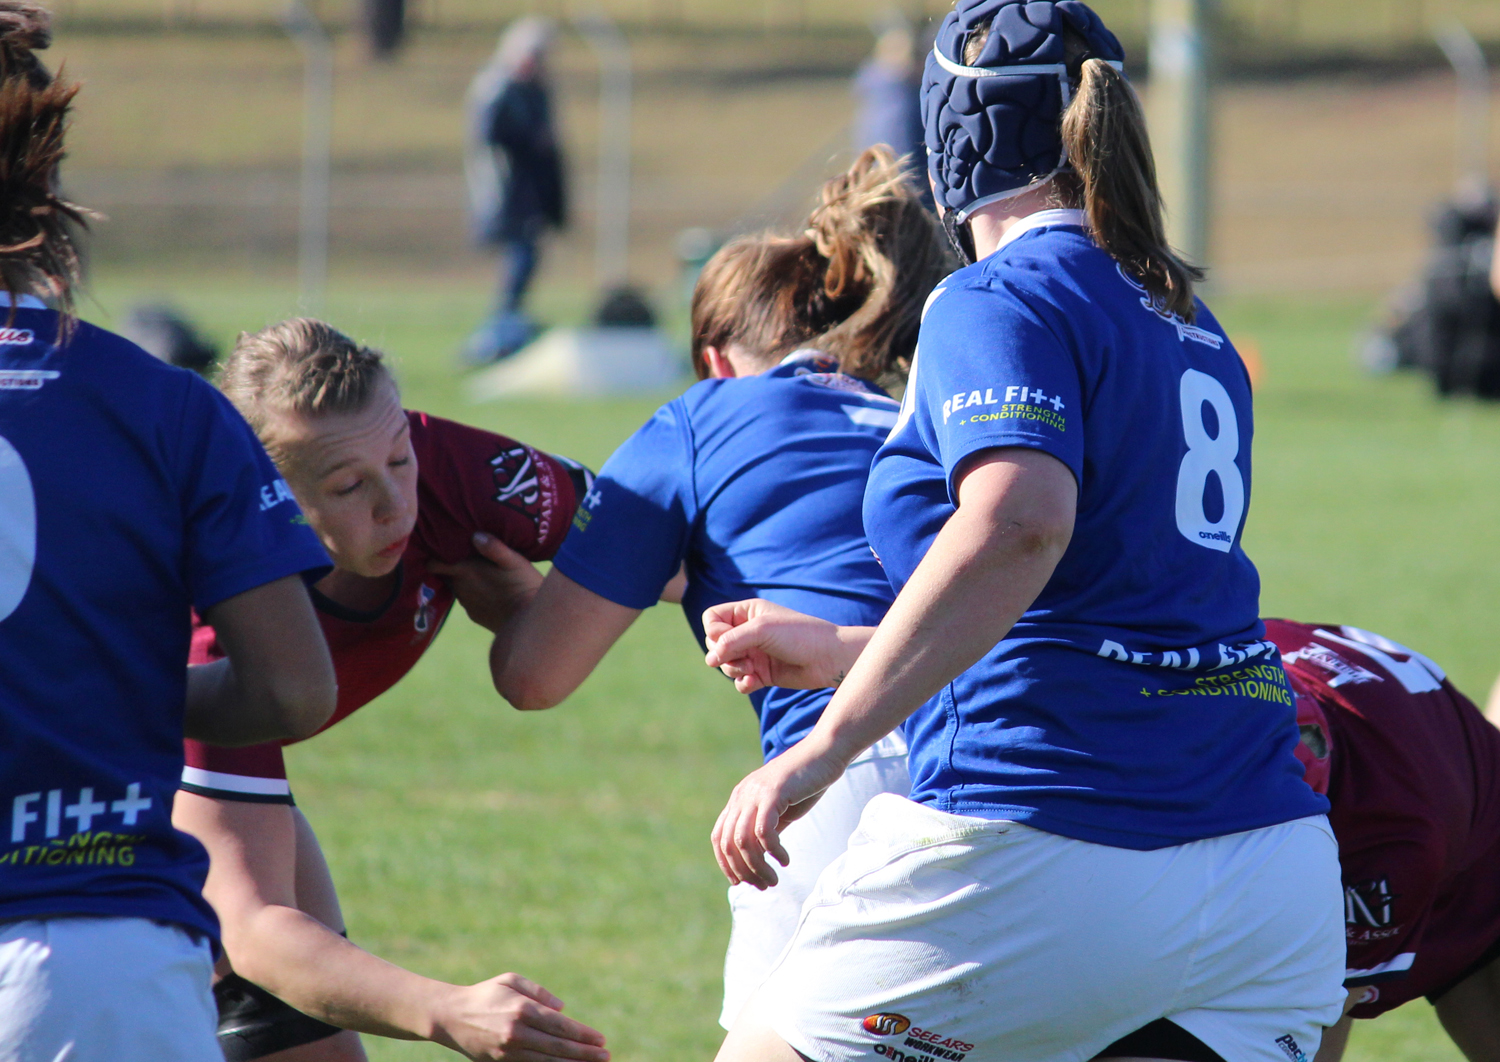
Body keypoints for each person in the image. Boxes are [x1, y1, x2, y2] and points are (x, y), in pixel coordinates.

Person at [702, 2, 1347, 1061]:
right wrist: (852, 652)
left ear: (953, 134)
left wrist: (820, 752)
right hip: (1265, 871)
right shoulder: (1189, 317)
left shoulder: (994, 296)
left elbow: (1019, 529)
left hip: (1046, 832)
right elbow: (1111, 601)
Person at [467, 146, 950, 1034]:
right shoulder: (911, 417)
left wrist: (500, 594)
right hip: (1002, 761)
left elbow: (535, 676)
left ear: (714, 360)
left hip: (840, 774)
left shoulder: (700, 419)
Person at [0, 5, 338, 1058]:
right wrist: (106, 685)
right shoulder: (163, 405)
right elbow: (294, 689)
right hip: (97, 962)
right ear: (45, 175)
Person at [169, 319, 608, 1062]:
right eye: (348, 486)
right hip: (70, 813)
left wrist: (549, 627)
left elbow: (668, 545)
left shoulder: (454, 472)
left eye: (400, 459)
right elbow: (254, 927)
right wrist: (449, 1011)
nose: (397, 504)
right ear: (266, 492)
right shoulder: (208, 617)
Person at [1258, 620, 1500, 1062]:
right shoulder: (1193, 684)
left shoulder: (1392, 836)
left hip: (1476, 849)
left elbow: (1313, 1017)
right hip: (1383, 721)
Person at [464, 16, 567, 365]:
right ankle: (497, 331)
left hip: (529, 195)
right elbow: (488, 138)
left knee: (526, 258)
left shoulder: (537, 91)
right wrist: (529, 139)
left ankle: (508, 323)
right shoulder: (496, 88)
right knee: (519, 258)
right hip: (506, 195)